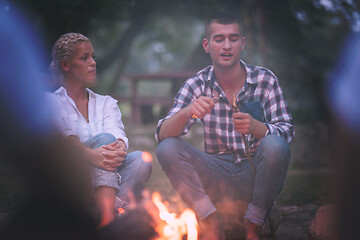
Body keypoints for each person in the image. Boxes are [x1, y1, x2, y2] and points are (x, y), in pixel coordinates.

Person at [155, 11, 294, 240]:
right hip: (215, 173)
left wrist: (260, 129)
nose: (226, 46)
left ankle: (254, 228)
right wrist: (188, 111)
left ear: (242, 43)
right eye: (219, 39)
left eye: (233, 38)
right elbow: (162, 134)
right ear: (207, 45)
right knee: (167, 148)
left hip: (253, 172)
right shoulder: (196, 84)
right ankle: (210, 223)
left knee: (275, 145)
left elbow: (287, 130)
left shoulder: (265, 80)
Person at [47, 33, 152, 227]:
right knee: (104, 138)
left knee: (140, 160)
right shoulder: (51, 102)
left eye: (93, 56)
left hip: (107, 175)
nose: (93, 63)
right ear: (66, 65)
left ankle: (106, 210)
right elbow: (61, 141)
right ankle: (108, 219)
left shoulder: (106, 103)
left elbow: (118, 136)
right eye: (84, 58)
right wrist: (90, 155)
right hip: (73, 181)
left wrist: (118, 147)